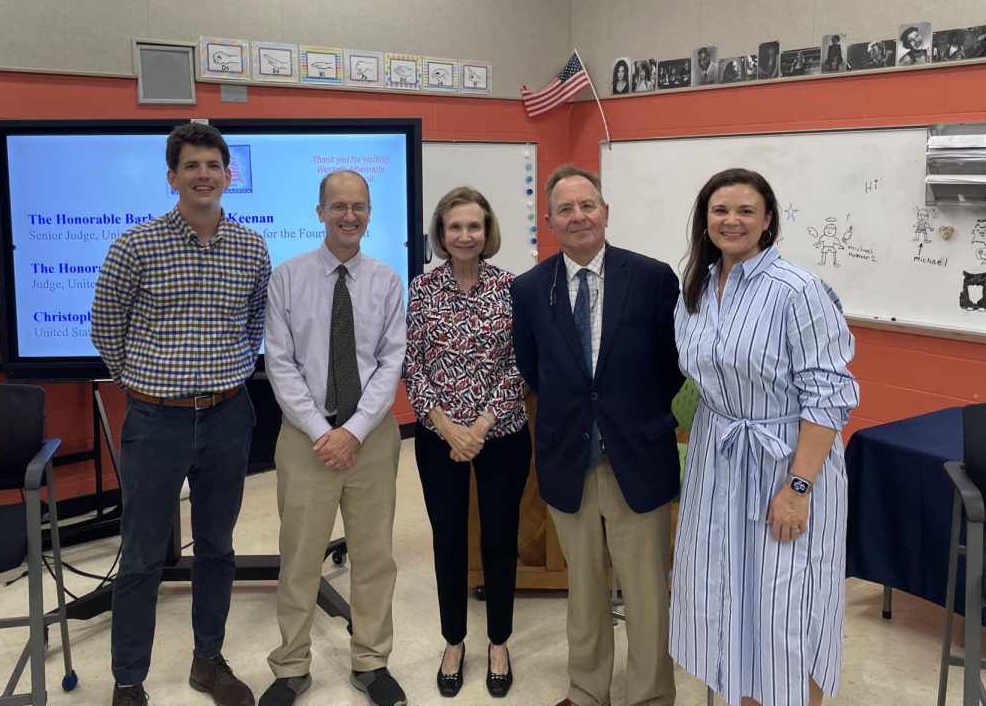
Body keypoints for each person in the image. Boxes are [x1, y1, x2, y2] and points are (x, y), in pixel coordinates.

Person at [91, 122, 271, 706]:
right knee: (142, 555)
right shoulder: (135, 244)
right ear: (172, 177)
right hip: (155, 420)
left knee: (217, 547)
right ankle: (128, 680)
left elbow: (253, 325)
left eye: (213, 166)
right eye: (191, 166)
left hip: (227, 416)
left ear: (227, 175)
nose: (203, 175)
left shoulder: (250, 248)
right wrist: (145, 387)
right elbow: (105, 330)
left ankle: (208, 661)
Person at [670, 169, 859, 706]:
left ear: (768, 221)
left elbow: (828, 396)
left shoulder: (797, 290)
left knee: (788, 605)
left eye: (746, 211)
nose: (732, 221)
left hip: (787, 462)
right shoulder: (698, 288)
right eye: (720, 210)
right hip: (717, 457)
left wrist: (798, 489)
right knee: (724, 596)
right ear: (705, 221)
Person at [511, 165, 684, 706]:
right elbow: (534, 370)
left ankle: (649, 695)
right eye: (565, 209)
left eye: (587, 205)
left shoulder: (653, 278)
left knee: (648, 595)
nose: (578, 216)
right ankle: (587, 690)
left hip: (638, 455)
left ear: (605, 213)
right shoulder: (531, 289)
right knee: (582, 591)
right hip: (570, 459)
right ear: (550, 222)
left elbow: (672, 365)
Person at [259, 170, 407, 706]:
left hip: (372, 436)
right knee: (300, 557)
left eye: (360, 207)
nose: (350, 216)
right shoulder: (288, 278)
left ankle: (371, 662)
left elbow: (391, 363)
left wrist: (355, 430)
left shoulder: (387, 282)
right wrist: (326, 432)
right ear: (319, 211)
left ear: (370, 213)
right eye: (339, 206)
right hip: (306, 438)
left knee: (374, 556)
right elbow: (280, 364)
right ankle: (292, 666)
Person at [403, 187, 530, 699]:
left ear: (487, 231)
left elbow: (520, 364)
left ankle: (498, 640)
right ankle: (453, 640)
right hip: (438, 438)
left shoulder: (512, 289)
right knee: (448, 541)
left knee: (500, 541)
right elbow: (412, 363)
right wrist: (446, 426)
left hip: (499, 435)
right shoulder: (422, 289)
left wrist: (477, 429)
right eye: (454, 227)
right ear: (441, 233)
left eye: (473, 226)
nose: (464, 235)